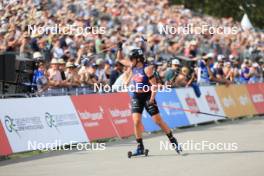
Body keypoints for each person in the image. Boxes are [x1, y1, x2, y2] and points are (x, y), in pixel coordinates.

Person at [117, 47, 182, 155]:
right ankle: (140, 147)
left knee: (158, 121)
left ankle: (173, 141)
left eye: (132, 58)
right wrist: (119, 47)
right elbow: (120, 59)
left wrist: (152, 99)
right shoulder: (132, 66)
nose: (131, 60)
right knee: (136, 121)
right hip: (136, 97)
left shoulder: (147, 69)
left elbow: (154, 86)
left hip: (148, 97)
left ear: (138, 59)